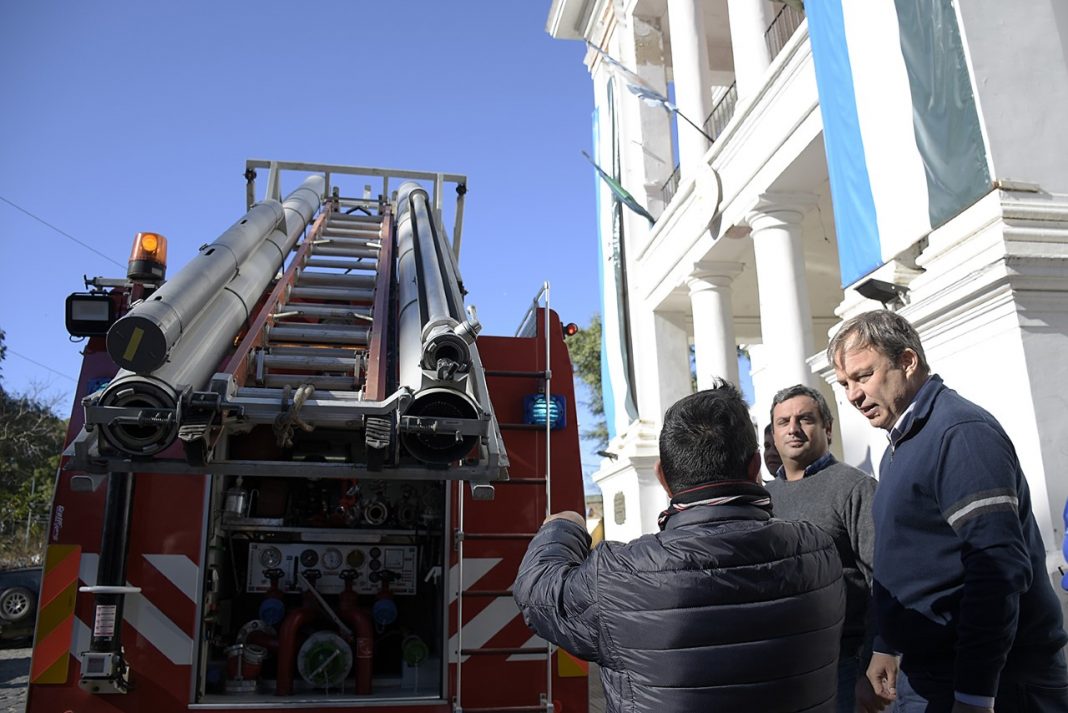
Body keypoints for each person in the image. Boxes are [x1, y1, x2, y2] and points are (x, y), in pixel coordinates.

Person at [513, 381, 846, 713]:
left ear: (663, 478)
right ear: (755, 466)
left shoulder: (618, 576)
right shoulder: (818, 552)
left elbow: (537, 591)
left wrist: (564, 526)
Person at [828, 309, 1068, 713]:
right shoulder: (900, 446)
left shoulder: (960, 434)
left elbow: (997, 569)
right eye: (844, 383)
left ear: (907, 362)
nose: (852, 394)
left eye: (863, 376)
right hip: (929, 678)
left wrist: (975, 695)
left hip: (995, 684)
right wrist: (887, 644)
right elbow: (907, 561)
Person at [765, 384, 883, 713]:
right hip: (779, 668)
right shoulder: (762, 499)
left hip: (842, 665)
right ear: (773, 434)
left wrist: (870, 666)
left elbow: (882, 581)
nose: (793, 428)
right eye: (783, 422)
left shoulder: (855, 487)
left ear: (827, 428)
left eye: (805, 419)